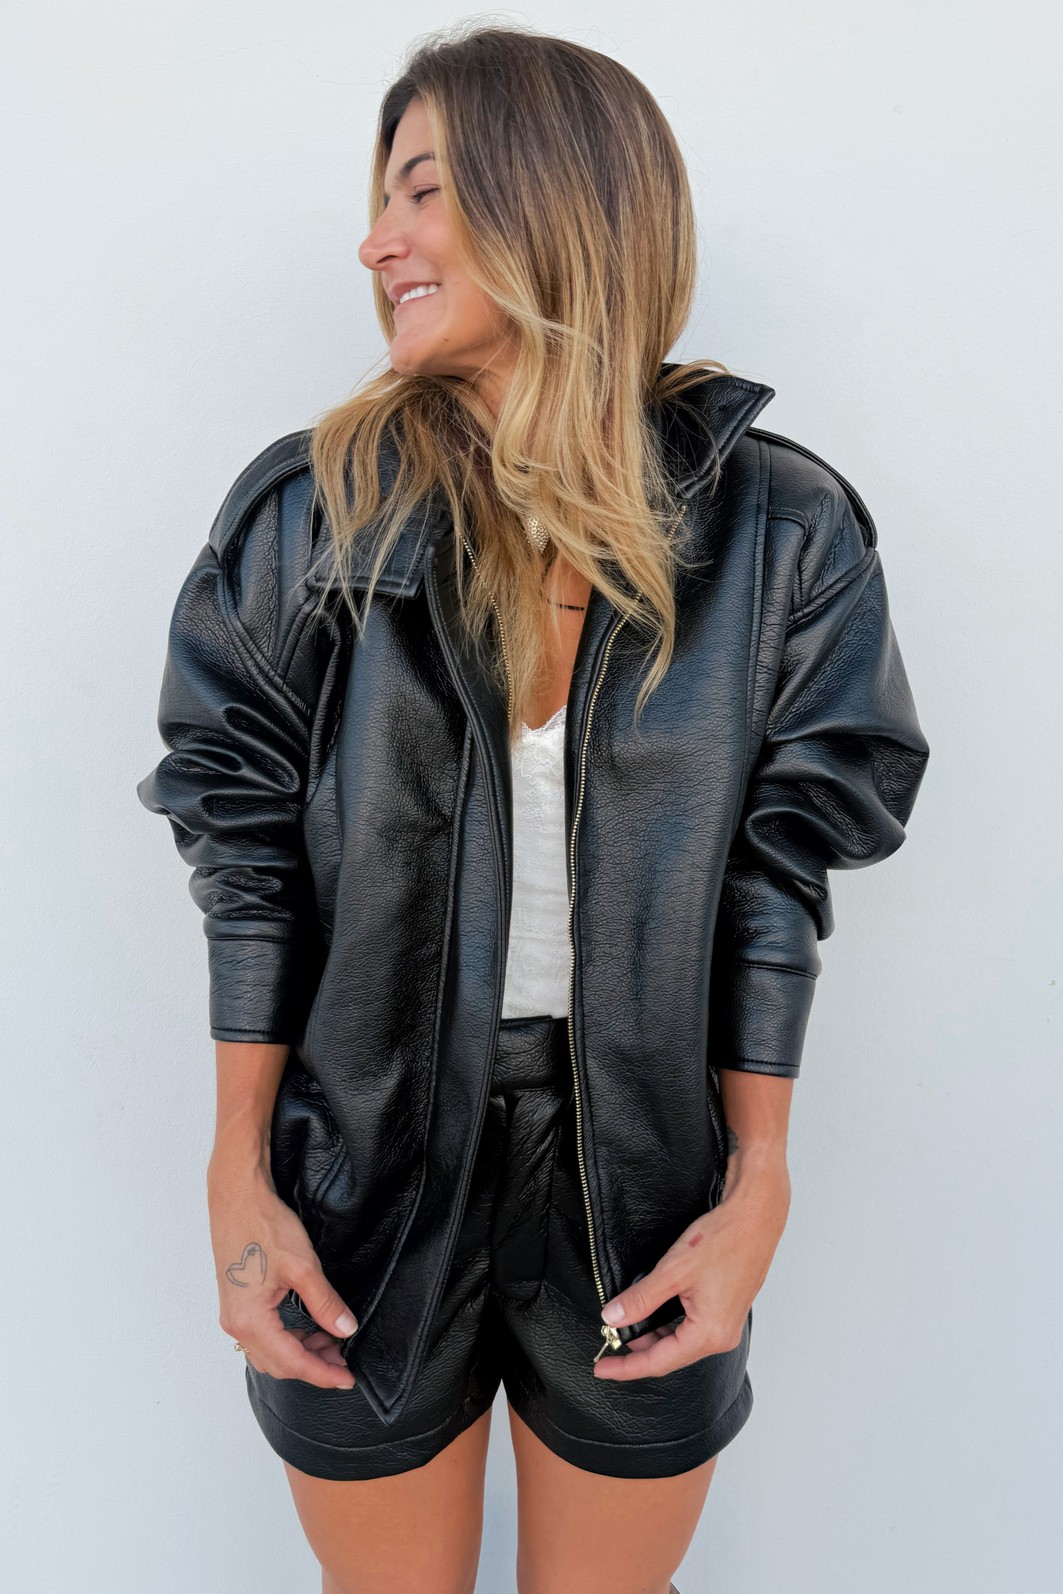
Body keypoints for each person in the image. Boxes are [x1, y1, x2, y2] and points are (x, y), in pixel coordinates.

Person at [136, 22, 930, 1594]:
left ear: (554, 201)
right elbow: (247, 860)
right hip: (361, 1170)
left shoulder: (782, 532)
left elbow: (780, 877)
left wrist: (759, 1183)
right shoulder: (310, 514)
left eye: (422, 191)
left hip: (642, 1181)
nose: (377, 241)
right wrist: (236, 1167)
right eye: (381, 197)